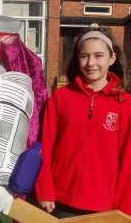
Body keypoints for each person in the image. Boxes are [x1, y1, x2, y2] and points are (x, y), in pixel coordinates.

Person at [35, 25, 131, 218]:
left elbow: (128, 161)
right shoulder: (61, 98)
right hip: (59, 202)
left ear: (112, 58)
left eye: (98, 56)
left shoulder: (125, 103)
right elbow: (45, 146)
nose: (90, 63)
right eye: (84, 55)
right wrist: (45, 190)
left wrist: (123, 210)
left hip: (104, 206)